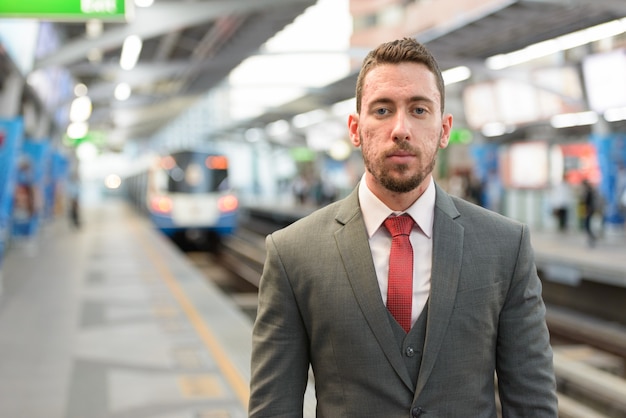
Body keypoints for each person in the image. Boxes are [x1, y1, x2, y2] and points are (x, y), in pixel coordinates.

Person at [249, 37, 557, 417]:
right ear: (355, 128)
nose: (401, 128)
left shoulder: (505, 247)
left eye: (418, 109)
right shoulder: (292, 253)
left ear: (444, 129)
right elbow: (272, 409)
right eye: (382, 110)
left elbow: (532, 404)